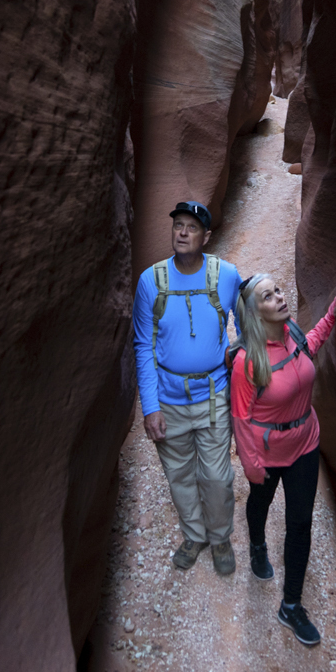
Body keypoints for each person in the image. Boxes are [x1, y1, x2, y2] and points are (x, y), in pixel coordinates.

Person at [133, 201, 245, 574]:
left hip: (213, 396)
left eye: (191, 227)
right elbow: (143, 346)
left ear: (207, 236)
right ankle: (194, 535)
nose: (182, 232)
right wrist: (150, 407)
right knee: (179, 474)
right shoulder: (151, 281)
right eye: (177, 225)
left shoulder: (226, 275)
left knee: (216, 476)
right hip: (168, 400)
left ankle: (220, 537)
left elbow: (246, 334)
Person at [228, 273, 336, 646]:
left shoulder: (291, 331)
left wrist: (333, 315)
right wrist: (251, 463)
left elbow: (309, 347)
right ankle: (258, 544)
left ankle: (291, 605)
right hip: (268, 453)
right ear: (255, 313)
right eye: (268, 295)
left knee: (300, 524)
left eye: (278, 290)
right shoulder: (247, 361)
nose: (279, 296)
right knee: (260, 501)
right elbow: (241, 417)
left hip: (305, 442)